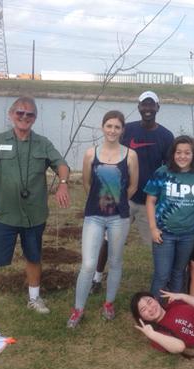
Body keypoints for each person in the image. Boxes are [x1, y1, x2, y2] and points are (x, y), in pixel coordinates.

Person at [0, 96, 70, 326]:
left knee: (34, 256)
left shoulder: (43, 143)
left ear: (35, 118)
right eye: (20, 113)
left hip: (34, 214)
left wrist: (63, 183)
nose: (25, 117)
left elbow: (61, 164)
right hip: (3, 214)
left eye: (30, 114)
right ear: (11, 114)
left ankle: (34, 299)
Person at [90, 91, 174, 292]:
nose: (147, 109)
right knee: (108, 239)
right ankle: (96, 278)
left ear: (157, 108)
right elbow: (112, 154)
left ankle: (164, 281)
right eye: (144, 105)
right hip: (123, 198)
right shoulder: (128, 131)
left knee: (158, 242)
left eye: (151, 105)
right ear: (138, 107)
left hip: (150, 202)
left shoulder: (166, 136)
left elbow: (169, 169)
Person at [66, 111, 139, 328]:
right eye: (109, 126)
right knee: (88, 264)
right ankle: (78, 309)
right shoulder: (90, 154)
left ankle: (109, 303)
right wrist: (101, 201)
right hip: (94, 216)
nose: (112, 130)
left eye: (117, 127)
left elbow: (133, 185)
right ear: (102, 127)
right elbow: (87, 184)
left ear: (122, 130)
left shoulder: (131, 156)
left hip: (119, 218)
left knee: (115, 261)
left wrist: (118, 202)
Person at [144, 135, 194, 298]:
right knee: (162, 274)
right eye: (178, 152)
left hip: (189, 234)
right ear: (173, 154)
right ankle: (154, 311)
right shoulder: (162, 172)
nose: (182, 156)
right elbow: (150, 201)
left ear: (193, 155)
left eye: (187, 153)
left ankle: (175, 312)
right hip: (164, 233)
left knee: (179, 272)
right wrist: (153, 228)